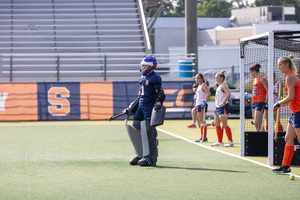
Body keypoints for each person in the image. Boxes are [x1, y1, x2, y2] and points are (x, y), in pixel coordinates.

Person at [125, 56, 165, 167]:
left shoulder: (155, 77)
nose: (143, 67)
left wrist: (158, 103)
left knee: (148, 131)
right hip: (141, 106)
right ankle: (140, 152)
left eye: (145, 65)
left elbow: (160, 93)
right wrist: (132, 106)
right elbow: (140, 96)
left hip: (149, 107)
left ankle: (150, 156)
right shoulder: (143, 78)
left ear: (152, 66)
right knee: (135, 127)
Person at [272, 55, 300, 173]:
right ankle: (285, 166)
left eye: (280, 65)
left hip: (299, 112)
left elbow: (291, 97)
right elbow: (291, 98)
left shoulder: (290, 77)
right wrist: (282, 103)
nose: (278, 67)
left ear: (287, 65)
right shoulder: (289, 77)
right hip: (295, 113)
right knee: (288, 138)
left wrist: (278, 103)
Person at [211, 70, 234, 147]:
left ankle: (230, 142)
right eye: (215, 78)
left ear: (221, 78)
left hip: (223, 107)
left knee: (224, 124)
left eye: (217, 78)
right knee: (217, 124)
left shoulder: (224, 85)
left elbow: (229, 94)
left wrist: (223, 102)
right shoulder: (219, 86)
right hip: (217, 107)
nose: (216, 79)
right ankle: (219, 142)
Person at [250, 63, 268, 132]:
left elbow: (268, 90)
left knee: (257, 121)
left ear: (254, 71)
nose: (251, 74)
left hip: (260, 102)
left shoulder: (262, 78)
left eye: (251, 73)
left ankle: (263, 136)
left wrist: (266, 101)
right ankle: (261, 136)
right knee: (257, 123)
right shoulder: (255, 79)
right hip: (254, 102)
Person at [193, 74, 210, 142]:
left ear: (202, 79)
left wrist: (205, 102)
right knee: (201, 122)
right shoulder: (199, 86)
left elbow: (208, 94)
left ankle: (204, 137)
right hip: (199, 105)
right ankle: (202, 137)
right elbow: (198, 98)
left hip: (202, 105)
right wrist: (196, 106)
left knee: (202, 121)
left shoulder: (203, 85)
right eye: (196, 78)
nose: (197, 79)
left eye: (198, 78)